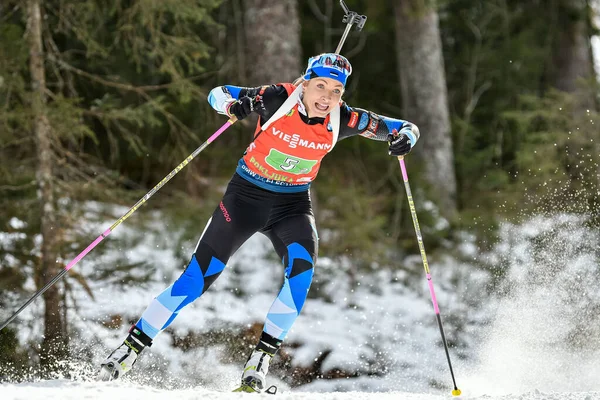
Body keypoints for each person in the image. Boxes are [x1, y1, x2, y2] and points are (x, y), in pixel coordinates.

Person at [99, 53, 420, 392]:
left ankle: (260, 360)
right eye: (321, 86)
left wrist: (405, 139)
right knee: (196, 279)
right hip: (245, 199)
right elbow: (218, 94)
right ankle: (129, 349)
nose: (327, 97)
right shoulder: (275, 98)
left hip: (292, 206)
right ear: (305, 83)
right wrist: (233, 106)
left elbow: (404, 127)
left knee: (301, 274)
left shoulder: (344, 119)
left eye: (336, 90)